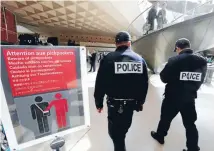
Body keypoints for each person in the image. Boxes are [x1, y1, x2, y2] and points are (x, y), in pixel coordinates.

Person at [94, 31, 149, 151]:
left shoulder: (108, 59)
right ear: (129, 43)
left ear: (116, 44)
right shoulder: (139, 60)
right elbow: (144, 84)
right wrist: (140, 102)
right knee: (123, 129)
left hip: (114, 104)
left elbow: (100, 83)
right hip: (131, 104)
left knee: (115, 134)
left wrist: (99, 102)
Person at [151, 38, 207, 151]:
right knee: (190, 124)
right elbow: (200, 79)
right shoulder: (202, 61)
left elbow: (163, 78)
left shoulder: (174, 60)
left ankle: (160, 136)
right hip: (189, 98)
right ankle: (193, 148)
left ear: (178, 48)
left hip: (172, 98)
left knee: (165, 119)